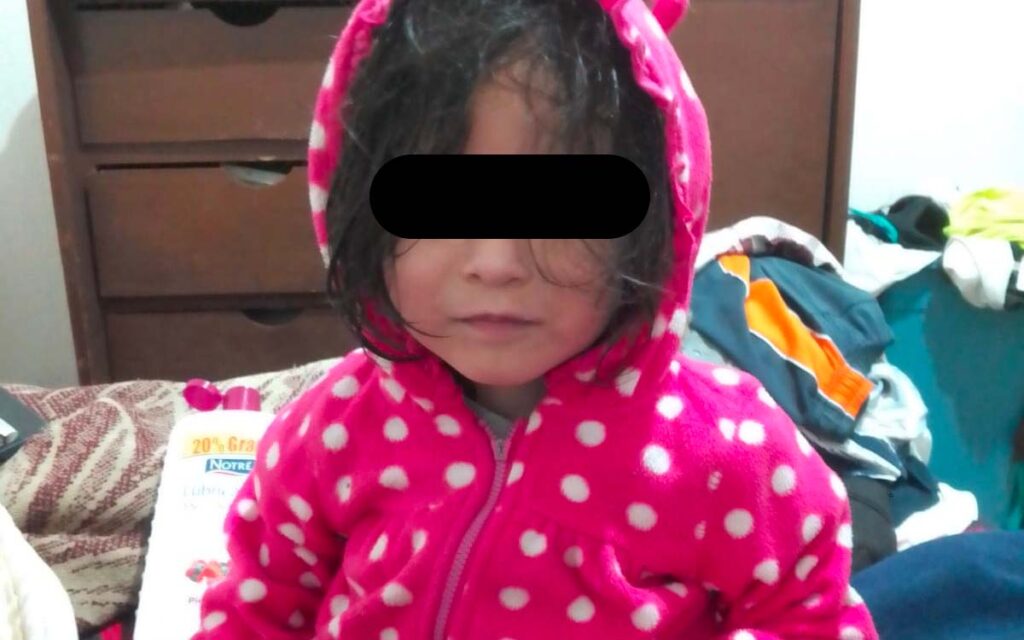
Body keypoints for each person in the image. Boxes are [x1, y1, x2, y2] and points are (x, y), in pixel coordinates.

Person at [193, 0, 877, 637]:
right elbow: (256, 609)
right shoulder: (330, 430)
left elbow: (808, 614)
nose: (496, 263)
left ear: (657, 222)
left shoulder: (732, 452)